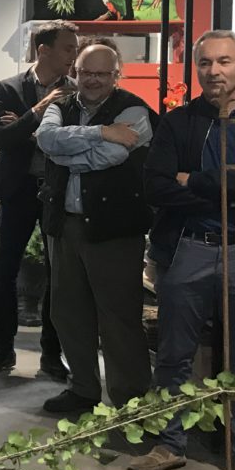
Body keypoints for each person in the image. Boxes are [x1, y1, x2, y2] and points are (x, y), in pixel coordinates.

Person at [131, 29, 235, 470]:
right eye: (205, 63)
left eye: (223, 62)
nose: (214, 71)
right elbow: (156, 187)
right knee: (174, 354)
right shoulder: (177, 123)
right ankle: (170, 443)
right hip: (188, 249)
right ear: (195, 68)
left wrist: (195, 181)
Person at [34, 42, 155, 415]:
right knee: (68, 312)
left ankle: (129, 400)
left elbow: (117, 155)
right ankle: (83, 388)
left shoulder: (134, 109)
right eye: (87, 72)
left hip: (115, 229)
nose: (94, 80)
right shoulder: (60, 104)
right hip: (64, 226)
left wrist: (66, 154)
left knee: (118, 316)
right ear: (76, 72)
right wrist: (102, 133)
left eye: (103, 73)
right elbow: (46, 140)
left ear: (117, 75)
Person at [0, 20, 78, 379]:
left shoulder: (77, 92)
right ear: (44, 50)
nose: (73, 55)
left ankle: (52, 356)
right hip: (19, 189)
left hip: (58, 191)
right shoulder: (9, 87)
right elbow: (2, 140)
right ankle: (2, 351)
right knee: (4, 271)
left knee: (58, 274)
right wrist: (39, 111)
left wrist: (29, 131)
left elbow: (71, 141)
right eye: (68, 48)